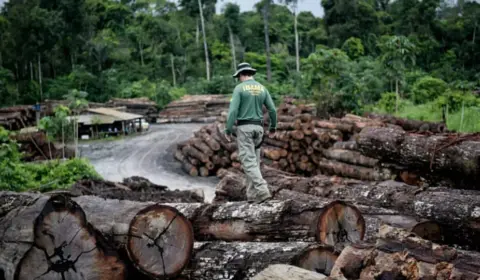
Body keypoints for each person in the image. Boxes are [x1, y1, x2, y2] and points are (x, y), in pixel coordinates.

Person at [224, 62, 277, 203]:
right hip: (258, 129)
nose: (238, 79)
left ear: (241, 74)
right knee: (254, 163)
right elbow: (272, 109)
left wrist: (228, 129)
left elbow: (233, 111)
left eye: (238, 77)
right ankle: (252, 197)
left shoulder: (239, 89)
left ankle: (263, 190)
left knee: (248, 162)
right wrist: (273, 127)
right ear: (251, 73)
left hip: (245, 128)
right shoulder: (262, 88)